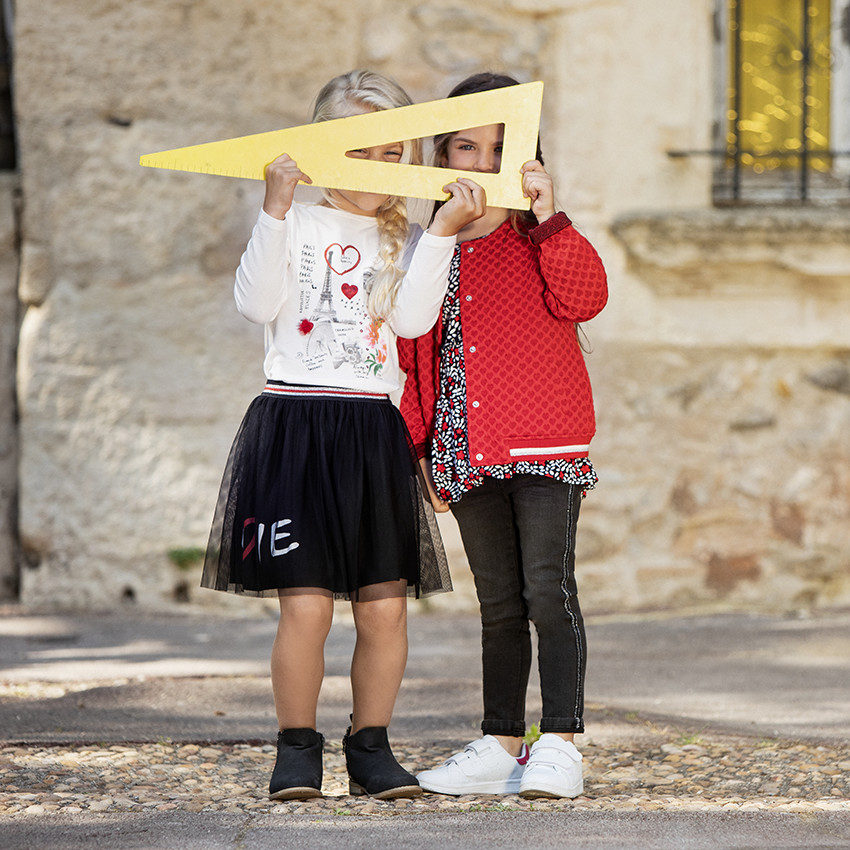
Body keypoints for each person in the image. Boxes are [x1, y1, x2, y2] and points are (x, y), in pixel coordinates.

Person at [201, 69, 486, 802]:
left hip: (369, 431)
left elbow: (414, 321)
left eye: (395, 156)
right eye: (363, 152)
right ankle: (297, 748)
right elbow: (255, 302)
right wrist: (274, 207)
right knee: (307, 606)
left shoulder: (411, 236)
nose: (379, 170)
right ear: (323, 147)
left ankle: (371, 748)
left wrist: (442, 236)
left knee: (384, 606)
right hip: (295, 426)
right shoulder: (294, 222)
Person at [398, 72, 608, 800]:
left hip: (544, 445)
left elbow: (587, 298)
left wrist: (550, 218)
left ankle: (562, 742)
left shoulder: (538, 238)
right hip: (464, 448)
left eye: (500, 148)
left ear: (527, 155)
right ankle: (501, 742)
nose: (483, 164)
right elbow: (413, 354)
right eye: (467, 147)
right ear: (442, 156)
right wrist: (420, 449)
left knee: (547, 588)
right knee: (498, 604)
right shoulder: (432, 247)